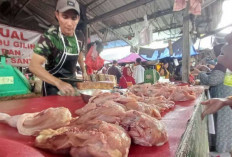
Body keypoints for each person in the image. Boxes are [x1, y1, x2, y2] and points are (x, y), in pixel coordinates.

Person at [29, 0, 87, 96]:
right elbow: (34, 66)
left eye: (74, 18)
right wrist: (58, 83)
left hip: (72, 85)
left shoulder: (80, 36)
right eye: (65, 17)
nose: (69, 23)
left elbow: (79, 52)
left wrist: (84, 71)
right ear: (57, 15)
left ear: (78, 18)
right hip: (52, 87)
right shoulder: (50, 37)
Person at [200, 32, 232, 153]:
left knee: (224, 130)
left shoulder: (223, 66)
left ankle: (222, 152)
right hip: (226, 99)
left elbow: (213, 80)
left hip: (226, 103)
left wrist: (201, 73)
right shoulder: (225, 66)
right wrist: (226, 101)